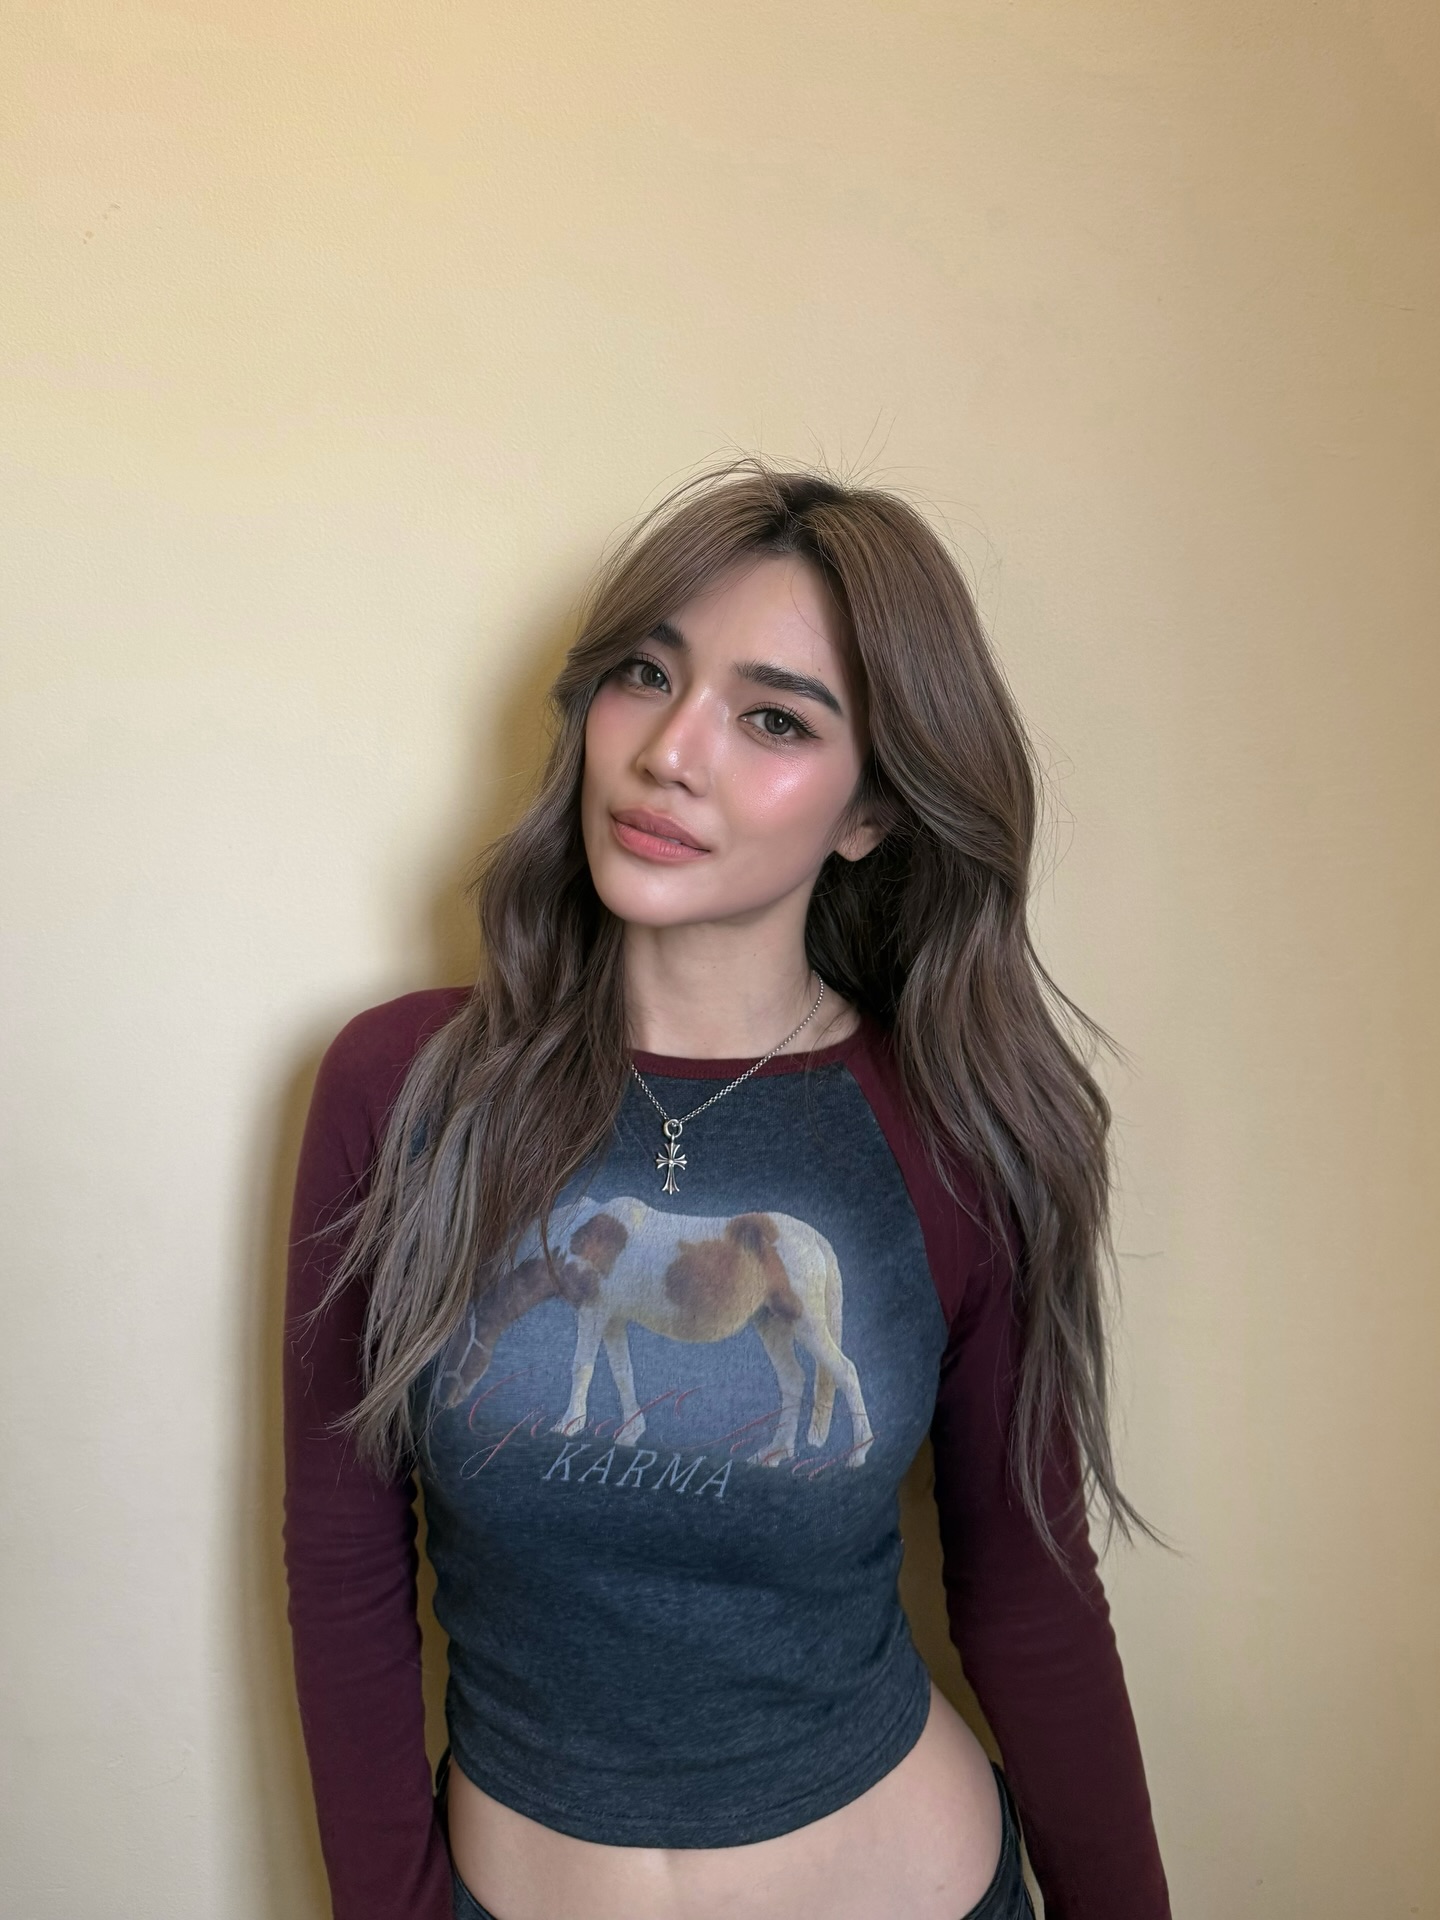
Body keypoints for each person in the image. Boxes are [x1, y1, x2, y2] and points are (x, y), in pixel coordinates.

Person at [282, 458, 1172, 1920]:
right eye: (647, 675)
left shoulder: (954, 1130)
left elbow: (1032, 1594)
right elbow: (342, 1559)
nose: (670, 751)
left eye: (775, 718)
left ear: (870, 809)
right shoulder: (405, 1089)